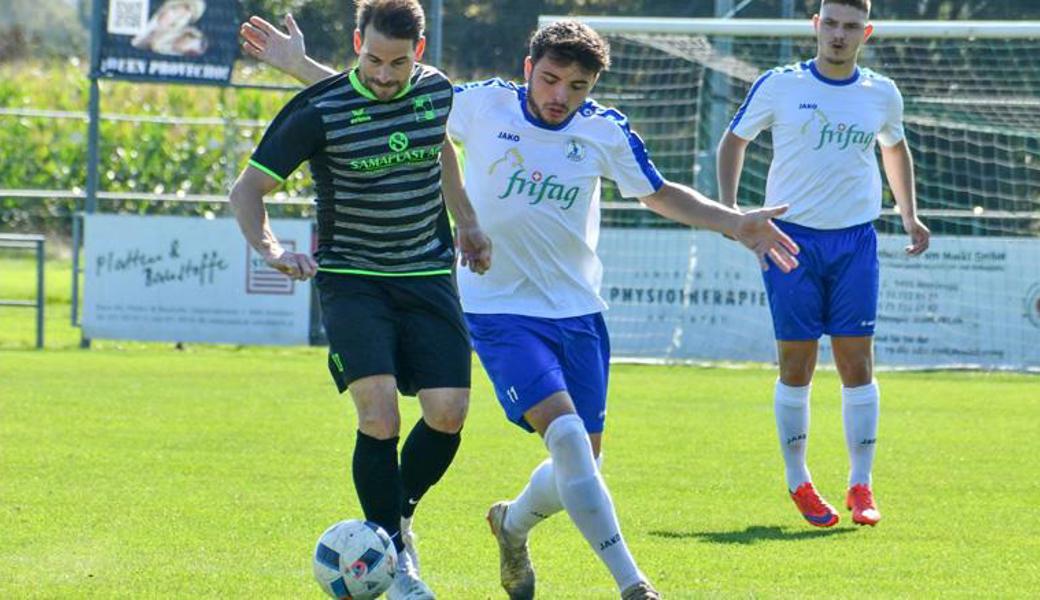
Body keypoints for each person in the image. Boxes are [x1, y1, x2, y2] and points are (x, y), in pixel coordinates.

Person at [242, 15, 800, 599]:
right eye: (551, 80)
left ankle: (511, 524)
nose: (561, 96)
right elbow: (388, 93)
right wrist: (299, 66)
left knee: (580, 466)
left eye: (577, 87)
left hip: (579, 312)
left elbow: (660, 194)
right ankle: (633, 585)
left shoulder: (604, 130)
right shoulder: (484, 106)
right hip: (498, 309)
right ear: (528, 69)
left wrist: (735, 222)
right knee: (560, 438)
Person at [229, 1, 491, 599]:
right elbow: (248, 190)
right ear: (356, 43)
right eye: (373, 58)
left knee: (447, 414)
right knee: (379, 417)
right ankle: (396, 564)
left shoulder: (436, 94)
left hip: (426, 274)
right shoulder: (317, 111)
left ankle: (394, 518)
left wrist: (469, 222)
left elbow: (440, 151)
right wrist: (272, 249)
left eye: (397, 62)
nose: (383, 73)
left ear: (417, 54)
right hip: (352, 280)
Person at [716, 0, 930, 528]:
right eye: (830, 23)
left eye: (850, 26)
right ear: (816, 26)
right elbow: (733, 141)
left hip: (855, 241)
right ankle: (799, 481)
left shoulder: (881, 92)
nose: (839, 34)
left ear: (867, 32)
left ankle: (861, 484)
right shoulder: (780, 84)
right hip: (790, 243)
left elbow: (894, 151)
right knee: (797, 365)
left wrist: (909, 216)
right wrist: (732, 214)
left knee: (858, 363)